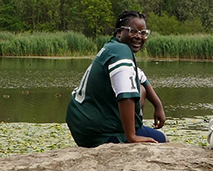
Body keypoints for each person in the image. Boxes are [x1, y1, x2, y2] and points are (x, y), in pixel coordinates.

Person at [66, 10, 168, 147]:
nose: (139, 36)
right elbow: (125, 95)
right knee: (164, 140)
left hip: (83, 124)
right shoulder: (121, 52)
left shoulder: (113, 47)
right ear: (120, 32)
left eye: (143, 33)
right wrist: (132, 137)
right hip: (98, 133)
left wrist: (158, 105)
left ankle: (133, 129)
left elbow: (141, 77)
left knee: (141, 89)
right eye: (133, 31)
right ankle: (130, 132)